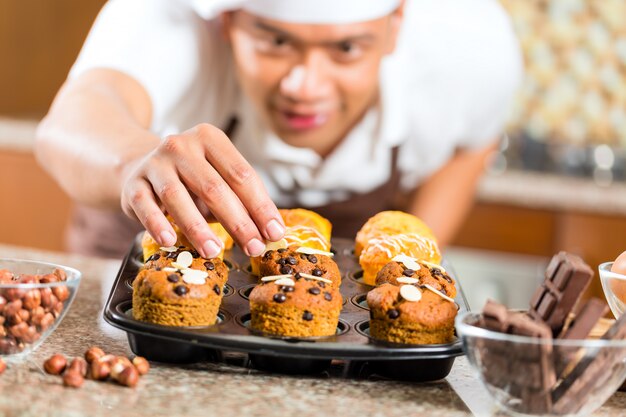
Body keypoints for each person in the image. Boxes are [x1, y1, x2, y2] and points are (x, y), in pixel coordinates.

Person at [35, 0, 523, 259]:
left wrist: (401, 268)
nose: (304, 87)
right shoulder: (168, 20)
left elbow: (471, 146)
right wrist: (134, 162)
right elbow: (70, 122)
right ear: (227, 19)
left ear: (396, 23)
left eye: (347, 49)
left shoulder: (469, 53)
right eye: (275, 41)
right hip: (139, 259)